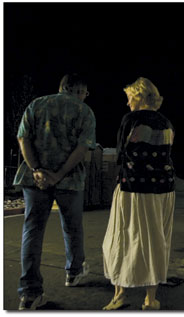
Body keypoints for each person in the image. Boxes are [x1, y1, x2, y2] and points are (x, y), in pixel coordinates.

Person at [13, 73, 96, 310]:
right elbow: (82, 148)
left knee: (33, 230)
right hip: (69, 182)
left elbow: (23, 138)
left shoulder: (37, 105)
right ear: (78, 90)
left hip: (35, 181)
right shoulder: (84, 112)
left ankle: (29, 293)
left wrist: (36, 169)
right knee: (72, 227)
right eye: (85, 93)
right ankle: (73, 272)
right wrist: (59, 175)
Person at [102, 77, 176, 310]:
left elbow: (122, 153)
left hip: (133, 188)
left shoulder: (131, 120)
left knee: (121, 238)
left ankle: (120, 294)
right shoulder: (167, 122)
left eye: (129, 98)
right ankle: (150, 298)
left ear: (140, 96)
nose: (127, 103)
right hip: (164, 188)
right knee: (156, 240)